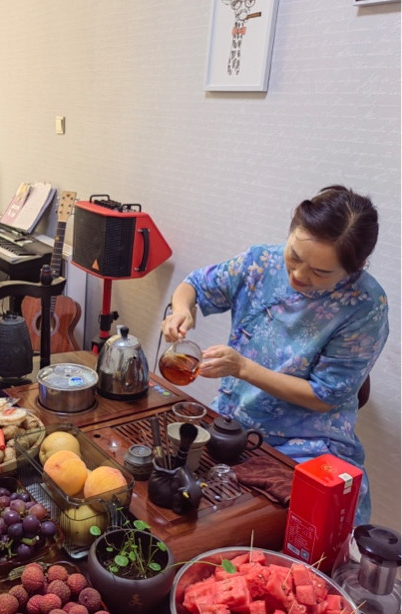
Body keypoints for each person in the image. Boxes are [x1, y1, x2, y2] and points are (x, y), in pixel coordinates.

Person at [162, 185, 389, 524]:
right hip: (233, 424)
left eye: (320, 272)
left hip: (308, 443)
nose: (298, 275)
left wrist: (243, 368)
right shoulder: (261, 263)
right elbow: (194, 285)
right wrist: (181, 309)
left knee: (314, 530)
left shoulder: (365, 305)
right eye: (294, 256)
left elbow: (324, 396)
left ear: (356, 266)